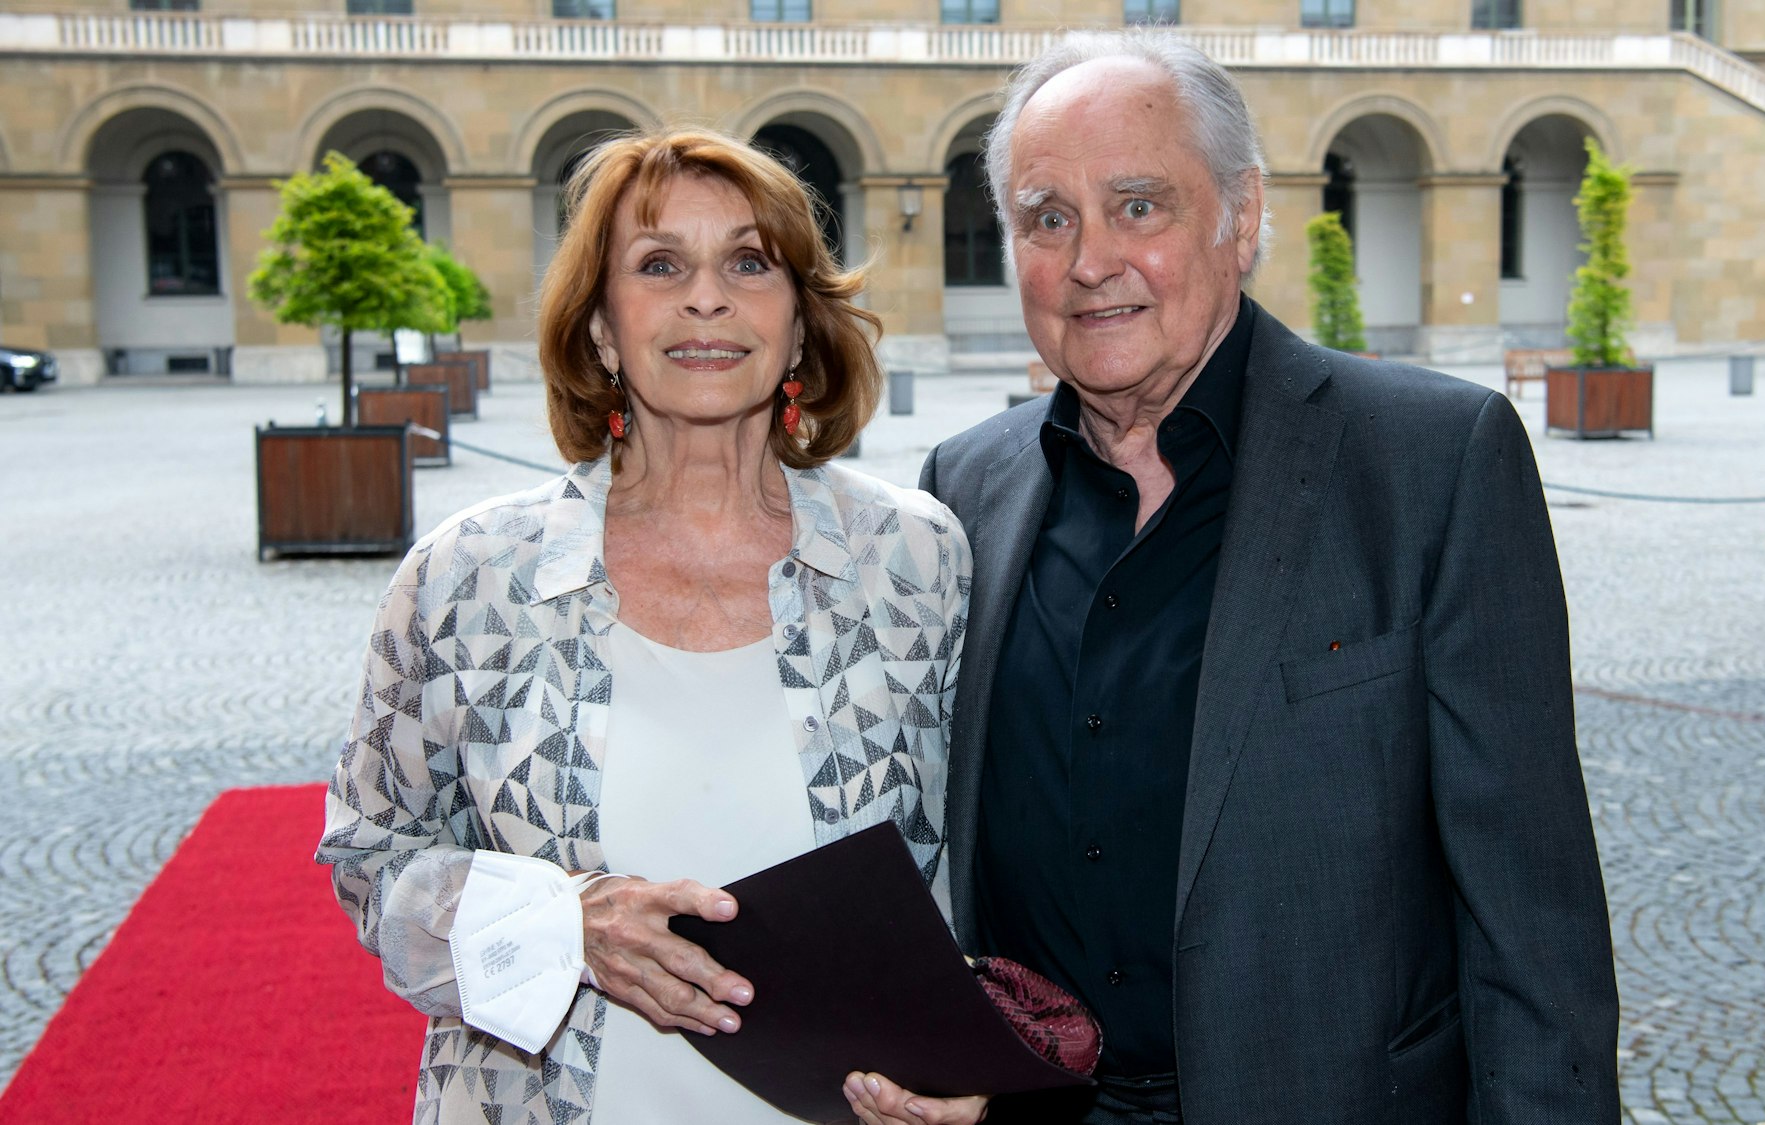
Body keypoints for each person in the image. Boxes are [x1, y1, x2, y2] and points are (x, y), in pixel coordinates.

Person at [856, 29, 1619, 1125]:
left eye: (1138, 206)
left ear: (1243, 215)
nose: (1089, 261)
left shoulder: (1431, 463)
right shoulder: (964, 489)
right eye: (1047, 219)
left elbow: (1530, 915)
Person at [316, 127, 971, 1124]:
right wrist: (560, 924)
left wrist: (975, 1056)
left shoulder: (918, 561)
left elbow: (983, 868)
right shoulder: (466, 578)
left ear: (800, 326)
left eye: (749, 263)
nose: (706, 298)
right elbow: (373, 861)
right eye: (659, 264)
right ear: (601, 330)